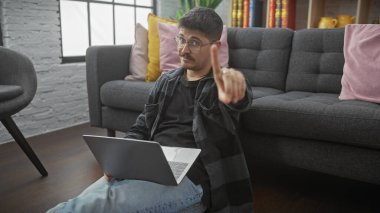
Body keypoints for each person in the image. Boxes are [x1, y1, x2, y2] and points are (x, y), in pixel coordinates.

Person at [47, 7, 253, 213]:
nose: (183, 50)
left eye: (194, 42)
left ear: (215, 47)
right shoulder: (167, 81)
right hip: (152, 166)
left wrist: (238, 94)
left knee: (90, 206)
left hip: (191, 180)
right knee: (85, 201)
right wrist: (121, 159)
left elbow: (239, 101)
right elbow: (143, 124)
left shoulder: (218, 86)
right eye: (181, 39)